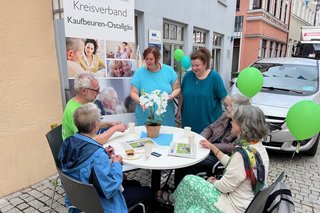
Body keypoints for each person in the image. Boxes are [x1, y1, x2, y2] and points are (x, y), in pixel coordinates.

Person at [160, 105, 269, 213]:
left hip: (231, 206)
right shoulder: (258, 148)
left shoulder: (242, 154)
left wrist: (212, 181)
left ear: (242, 126)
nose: (231, 122)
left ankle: (172, 200)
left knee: (189, 181)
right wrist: (213, 147)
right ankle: (173, 199)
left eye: (234, 121)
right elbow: (233, 165)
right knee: (189, 182)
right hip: (246, 202)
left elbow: (224, 187)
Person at [59, 103, 152, 213]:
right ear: (95, 124)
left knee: (135, 184)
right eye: (100, 119)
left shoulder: (67, 143)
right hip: (100, 205)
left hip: (77, 200)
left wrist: (103, 154)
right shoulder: (98, 155)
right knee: (148, 192)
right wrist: (116, 163)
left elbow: (83, 166)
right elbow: (109, 189)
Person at [174, 94, 251, 187]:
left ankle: (180, 192)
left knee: (187, 162)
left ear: (238, 111)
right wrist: (201, 139)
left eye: (230, 106)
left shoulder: (242, 127)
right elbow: (210, 128)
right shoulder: (225, 116)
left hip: (218, 157)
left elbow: (233, 147)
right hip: (206, 148)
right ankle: (177, 190)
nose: (227, 107)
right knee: (182, 155)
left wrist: (211, 146)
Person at [177, 47, 231, 134]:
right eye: (192, 65)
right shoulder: (188, 76)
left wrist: (236, 113)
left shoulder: (214, 77)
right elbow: (182, 95)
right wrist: (179, 110)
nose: (194, 68)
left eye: (197, 65)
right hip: (188, 124)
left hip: (208, 127)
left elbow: (225, 98)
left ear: (205, 64)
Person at [62, 72, 126, 144]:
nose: (98, 93)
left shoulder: (82, 103)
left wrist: (110, 124)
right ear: (84, 91)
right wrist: (115, 128)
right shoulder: (74, 111)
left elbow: (89, 126)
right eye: (96, 90)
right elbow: (92, 141)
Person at [130, 46, 181, 126]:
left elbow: (177, 89)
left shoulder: (169, 71)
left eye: (151, 59)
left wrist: (172, 95)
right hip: (145, 118)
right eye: (146, 59)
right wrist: (140, 101)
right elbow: (133, 92)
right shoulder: (140, 72)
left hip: (166, 118)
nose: (148, 62)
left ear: (157, 59)